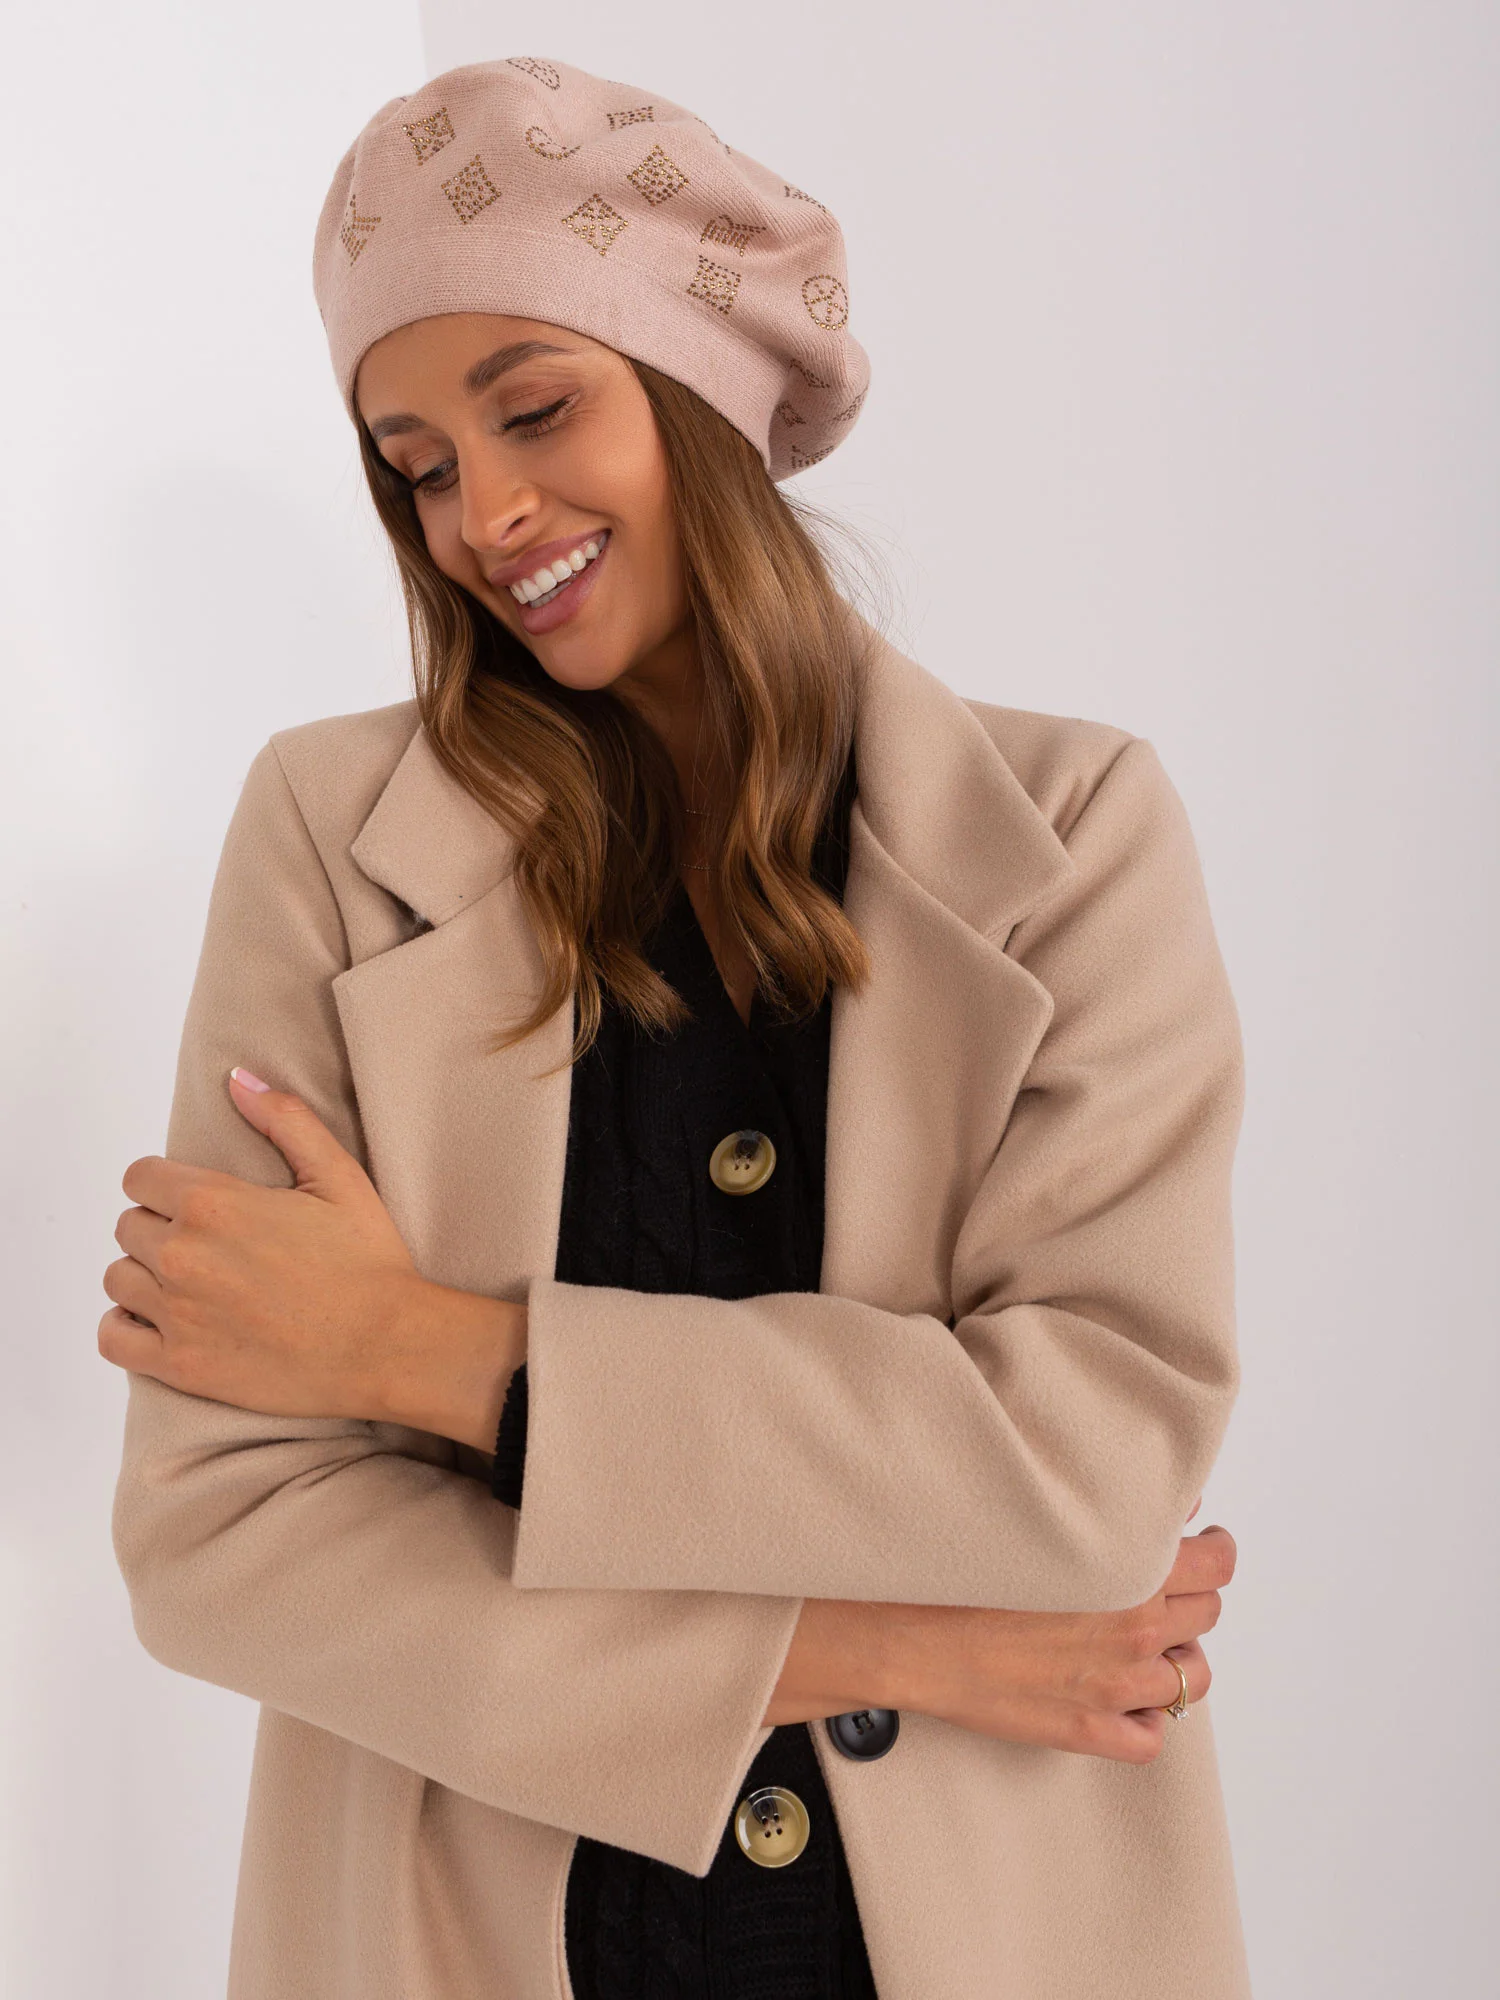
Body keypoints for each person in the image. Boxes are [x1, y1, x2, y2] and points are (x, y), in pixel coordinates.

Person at [103, 55, 1249, 2000]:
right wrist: (887, 1645)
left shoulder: (1072, 834)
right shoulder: (329, 836)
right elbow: (219, 1540)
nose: (483, 513)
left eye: (535, 406)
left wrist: (432, 1353)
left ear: (701, 388)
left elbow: (1081, 1462)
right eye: (418, 463)